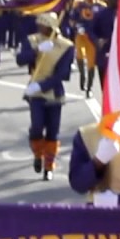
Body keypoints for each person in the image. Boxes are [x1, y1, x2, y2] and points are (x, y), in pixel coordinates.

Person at [16, 12, 74, 182]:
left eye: (44, 25)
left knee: (52, 132)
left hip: (54, 92)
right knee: (36, 126)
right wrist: (36, 51)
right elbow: (20, 60)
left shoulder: (66, 46)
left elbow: (62, 74)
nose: (40, 28)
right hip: (35, 92)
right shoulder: (32, 40)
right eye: (39, 24)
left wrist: (42, 85)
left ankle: (49, 166)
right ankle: (37, 153)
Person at [68, 0, 104, 97]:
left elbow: (102, 24)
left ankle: (89, 87)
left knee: (91, 62)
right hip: (80, 35)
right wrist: (77, 26)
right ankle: (82, 75)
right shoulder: (79, 4)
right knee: (79, 56)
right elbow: (71, 19)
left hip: (92, 38)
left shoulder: (101, 7)